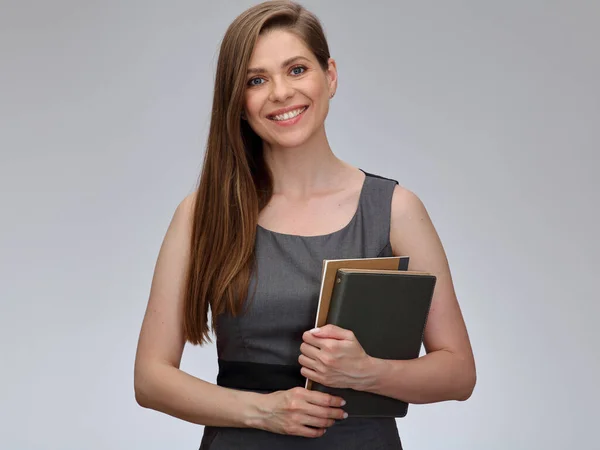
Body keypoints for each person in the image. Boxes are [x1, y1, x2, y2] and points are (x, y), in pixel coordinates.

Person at [133, 1, 476, 448]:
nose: (279, 92)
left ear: (329, 76)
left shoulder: (396, 208)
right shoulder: (202, 214)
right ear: (238, 102)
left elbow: (458, 373)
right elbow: (150, 378)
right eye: (256, 80)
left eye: (296, 70)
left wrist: (369, 371)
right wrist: (263, 411)